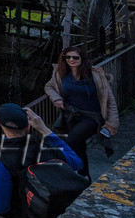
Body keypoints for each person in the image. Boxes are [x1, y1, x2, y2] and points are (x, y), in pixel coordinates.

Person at [0, 103, 82, 218]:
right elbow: (76, 162)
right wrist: (44, 129)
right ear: (28, 127)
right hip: (53, 216)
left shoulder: (1, 161)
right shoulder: (46, 148)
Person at [45, 48, 119, 178]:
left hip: (92, 116)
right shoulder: (60, 73)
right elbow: (49, 86)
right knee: (79, 147)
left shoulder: (95, 74)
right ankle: (84, 177)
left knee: (70, 142)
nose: (71, 60)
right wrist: (56, 98)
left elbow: (110, 99)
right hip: (71, 115)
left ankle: (66, 174)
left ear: (82, 59)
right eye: (67, 58)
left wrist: (112, 123)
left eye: (75, 58)